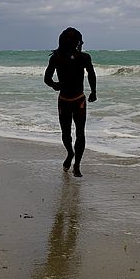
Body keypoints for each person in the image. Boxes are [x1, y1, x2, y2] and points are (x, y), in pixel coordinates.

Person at [44, 27, 97, 177]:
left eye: (73, 39)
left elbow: (91, 74)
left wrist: (94, 91)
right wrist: (55, 85)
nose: (71, 41)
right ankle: (70, 153)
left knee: (80, 133)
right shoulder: (56, 58)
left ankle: (77, 165)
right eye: (69, 39)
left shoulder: (84, 57)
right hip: (64, 100)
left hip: (79, 100)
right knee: (66, 134)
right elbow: (47, 78)